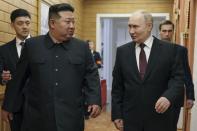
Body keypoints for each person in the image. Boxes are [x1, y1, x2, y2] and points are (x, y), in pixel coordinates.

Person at [1, 3, 101, 131]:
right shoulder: (32, 46)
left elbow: (91, 75)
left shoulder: (81, 47)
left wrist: (94, 100)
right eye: (67, 22)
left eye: (73, 22)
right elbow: (18, 79)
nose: (72, 26)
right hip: (38, 118)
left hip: (71, 118)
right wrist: (8, 106)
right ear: (52, 23)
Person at [111, 10, 184, 131]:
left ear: (149, 26)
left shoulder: (170, 50)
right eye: (129, 26)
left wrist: (168, 97)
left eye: (135, 27)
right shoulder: (122, 52)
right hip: (131, 120)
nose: (131, 31)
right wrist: (117, 114)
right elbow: (117, 87)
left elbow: (178, 79)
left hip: (161, 118)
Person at [0, 8, 31, 131]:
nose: (24, 26)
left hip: (39, 106)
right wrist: (2, 77)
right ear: (12, 25)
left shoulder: (41, 46)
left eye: (27, 23)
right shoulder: (3, 50)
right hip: (14, 106)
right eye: (20, 23)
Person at [159, 20, 195, 125]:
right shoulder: (151, 50)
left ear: (173, 32)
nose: (167, 34)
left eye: (169, 31)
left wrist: (190, 96)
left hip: (175, 97)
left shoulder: (181, 50)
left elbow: (186, 74)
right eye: (164, 31)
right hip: (155, 96)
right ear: (160, 32)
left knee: (171, 127)